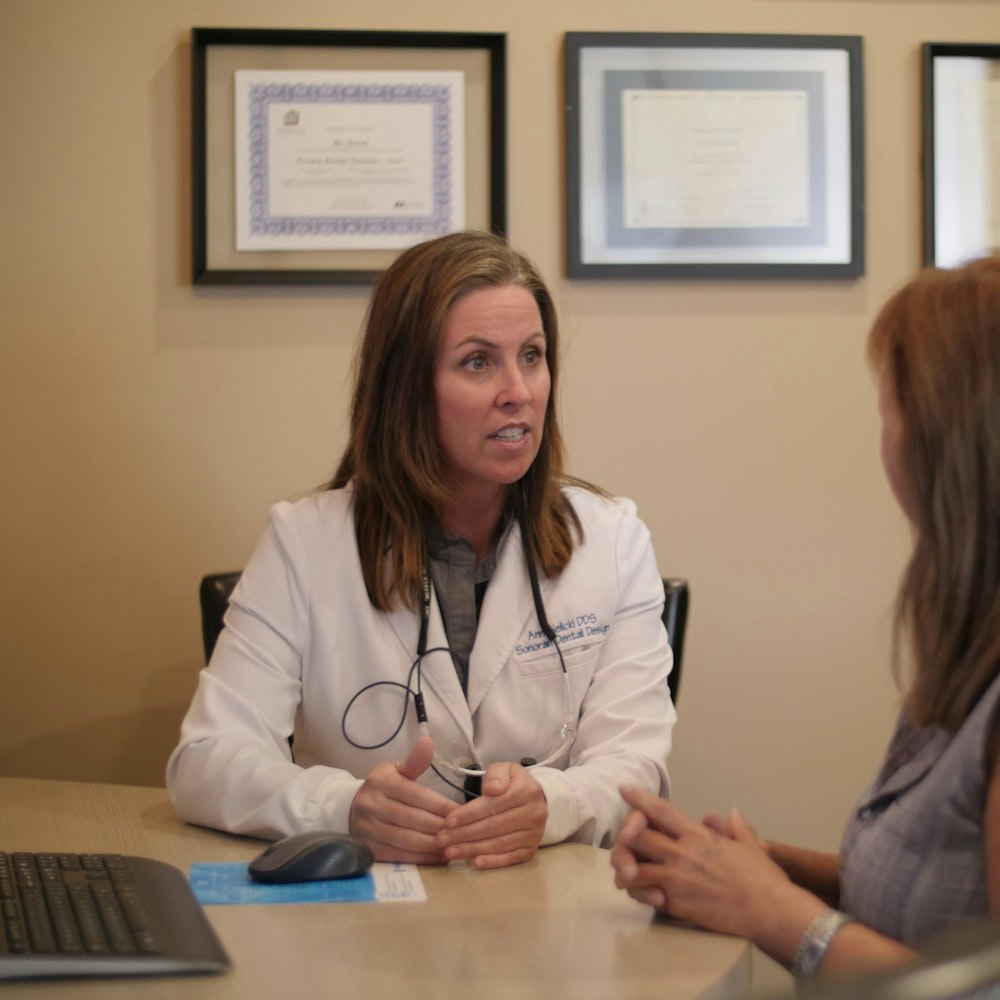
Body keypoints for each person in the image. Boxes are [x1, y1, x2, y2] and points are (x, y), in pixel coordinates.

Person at [167, 230, 675, 871]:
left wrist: (555, 802)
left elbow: (639, 770)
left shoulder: (613, 543)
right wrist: (343, 807)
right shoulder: (306, 545)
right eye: (478, 362)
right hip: (364, 925)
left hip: (549, 912)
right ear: (407, 387)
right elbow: (204, 762)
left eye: (532, 356)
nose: (518, 390)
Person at [610, 255, 1000, 977]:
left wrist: (772, 910)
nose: (882, 426)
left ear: (950, 435)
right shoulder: (967, 647)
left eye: (893, 400)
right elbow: (932, 904)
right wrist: (738, 869)